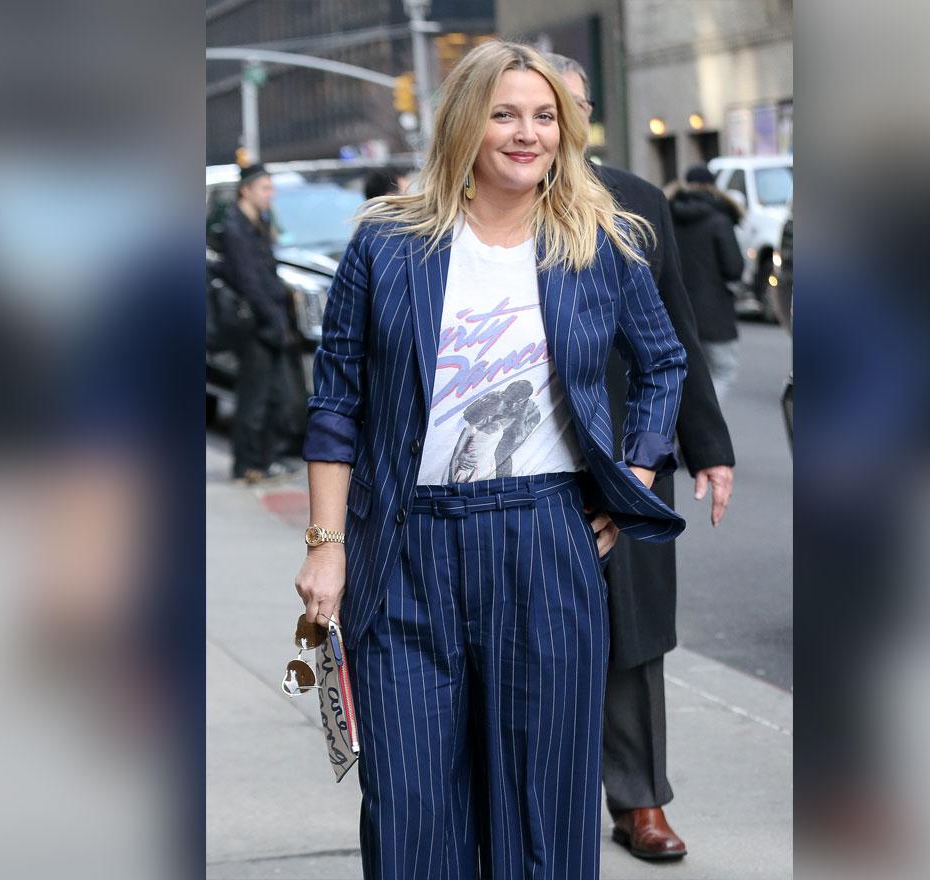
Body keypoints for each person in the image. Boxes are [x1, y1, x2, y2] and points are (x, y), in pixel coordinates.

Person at [293, 41, 688, 880]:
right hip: (403, 548)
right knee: (409, 805)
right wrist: (326, 547)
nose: (527, 133)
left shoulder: (599, 241)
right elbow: (335, 400)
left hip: (546, 539)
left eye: (544, 116)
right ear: (465, 124)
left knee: (543, 807)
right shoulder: (387, 242)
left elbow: (664, 364)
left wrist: (632, 485)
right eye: (505, 114)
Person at [548, 53, 736, 861]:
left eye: (569, 104)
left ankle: (638, 801)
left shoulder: (635, 199)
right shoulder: (478, 206)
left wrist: (708, 448)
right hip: (522, 460)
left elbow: (676, 333)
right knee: (533, 636)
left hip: (632, 450)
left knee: (632, 632)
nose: (553, 121)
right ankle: (539, 799)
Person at [220, 165, 307, 483]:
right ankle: (248, 464)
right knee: (255, 397)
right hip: (255, 325)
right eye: (265, 189)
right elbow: (250, 281)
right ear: (247, 190)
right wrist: (274, 317)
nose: (270, 195)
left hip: (269, 321)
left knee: (274, 395)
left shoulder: (257, 224)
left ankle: (263, 460)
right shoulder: (235, 228)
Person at [668, 164, 746, 411]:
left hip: (676, 311)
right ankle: (706, 423)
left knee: (686, 376)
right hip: (715, 314)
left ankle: (685, 430)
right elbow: (734, 268)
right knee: (723, 370)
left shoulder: (667, 215)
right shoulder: (719, 220)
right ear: (713, 186)